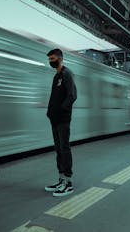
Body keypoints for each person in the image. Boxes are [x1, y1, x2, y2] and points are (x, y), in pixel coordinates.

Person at [45, 48, 77, 197]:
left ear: (60, 58)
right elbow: (54, 97)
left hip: (63, 119)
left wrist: (60, 110)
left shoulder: (66, 74)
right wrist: (50, 113)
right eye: (49, 59)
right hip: (55, 119)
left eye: (52, 59)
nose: (50, 62)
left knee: (64, 148)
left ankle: (68, 183)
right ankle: (61, 178)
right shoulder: (56, 76)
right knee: (58, 149)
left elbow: (72, 96)